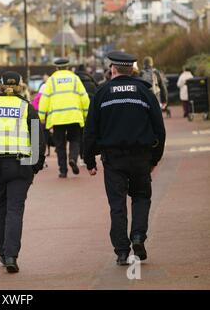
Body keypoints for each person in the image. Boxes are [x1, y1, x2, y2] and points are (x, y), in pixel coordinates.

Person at [83, 51, 166, 266]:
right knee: (141, 197)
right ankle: (138, 237)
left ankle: (121, 251)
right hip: (141, 157)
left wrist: (89, 160)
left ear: (113, 69)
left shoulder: (102, 93)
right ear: (132, 70)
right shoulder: (144, 93)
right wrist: (154, 159)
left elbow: (90, 130)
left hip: (113, 159)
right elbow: (159, 129)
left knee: (117, 205)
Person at [0, 71, 46, 273]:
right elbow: (38, 137)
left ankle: (3, 253)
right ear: (20, 86)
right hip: (21, 166)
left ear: (1, 85)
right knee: (14, 210)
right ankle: (11, 255)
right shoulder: (26, 107)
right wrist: (36, 165)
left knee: (1, 210)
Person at [38, 58, 89, 178]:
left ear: (56, 68)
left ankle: (63, 170)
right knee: (75, 140)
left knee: (60, 145)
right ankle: (72, 159)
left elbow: (44, 98)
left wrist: (41, 116)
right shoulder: (75, 79)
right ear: (68, 67)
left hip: (57, 118)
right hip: (74, 116)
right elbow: (84, 97)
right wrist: (86, 114)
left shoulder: (51, 80)